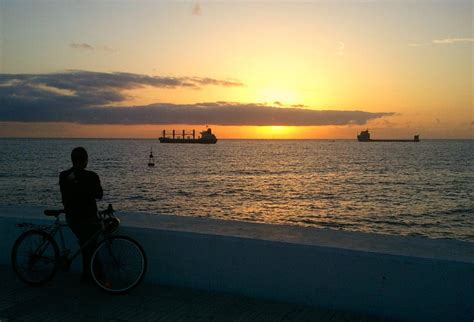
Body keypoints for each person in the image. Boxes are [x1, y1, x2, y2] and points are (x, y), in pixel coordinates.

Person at [59, 147, 103, 283]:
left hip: (72, 217)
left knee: (86, 244)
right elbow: (99, 195)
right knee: (91, 245)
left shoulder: (63, 176)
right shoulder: (92, 176)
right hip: (89, 218)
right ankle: (96, 276)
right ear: (86, 161)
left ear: (72, 160)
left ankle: (88, 275)